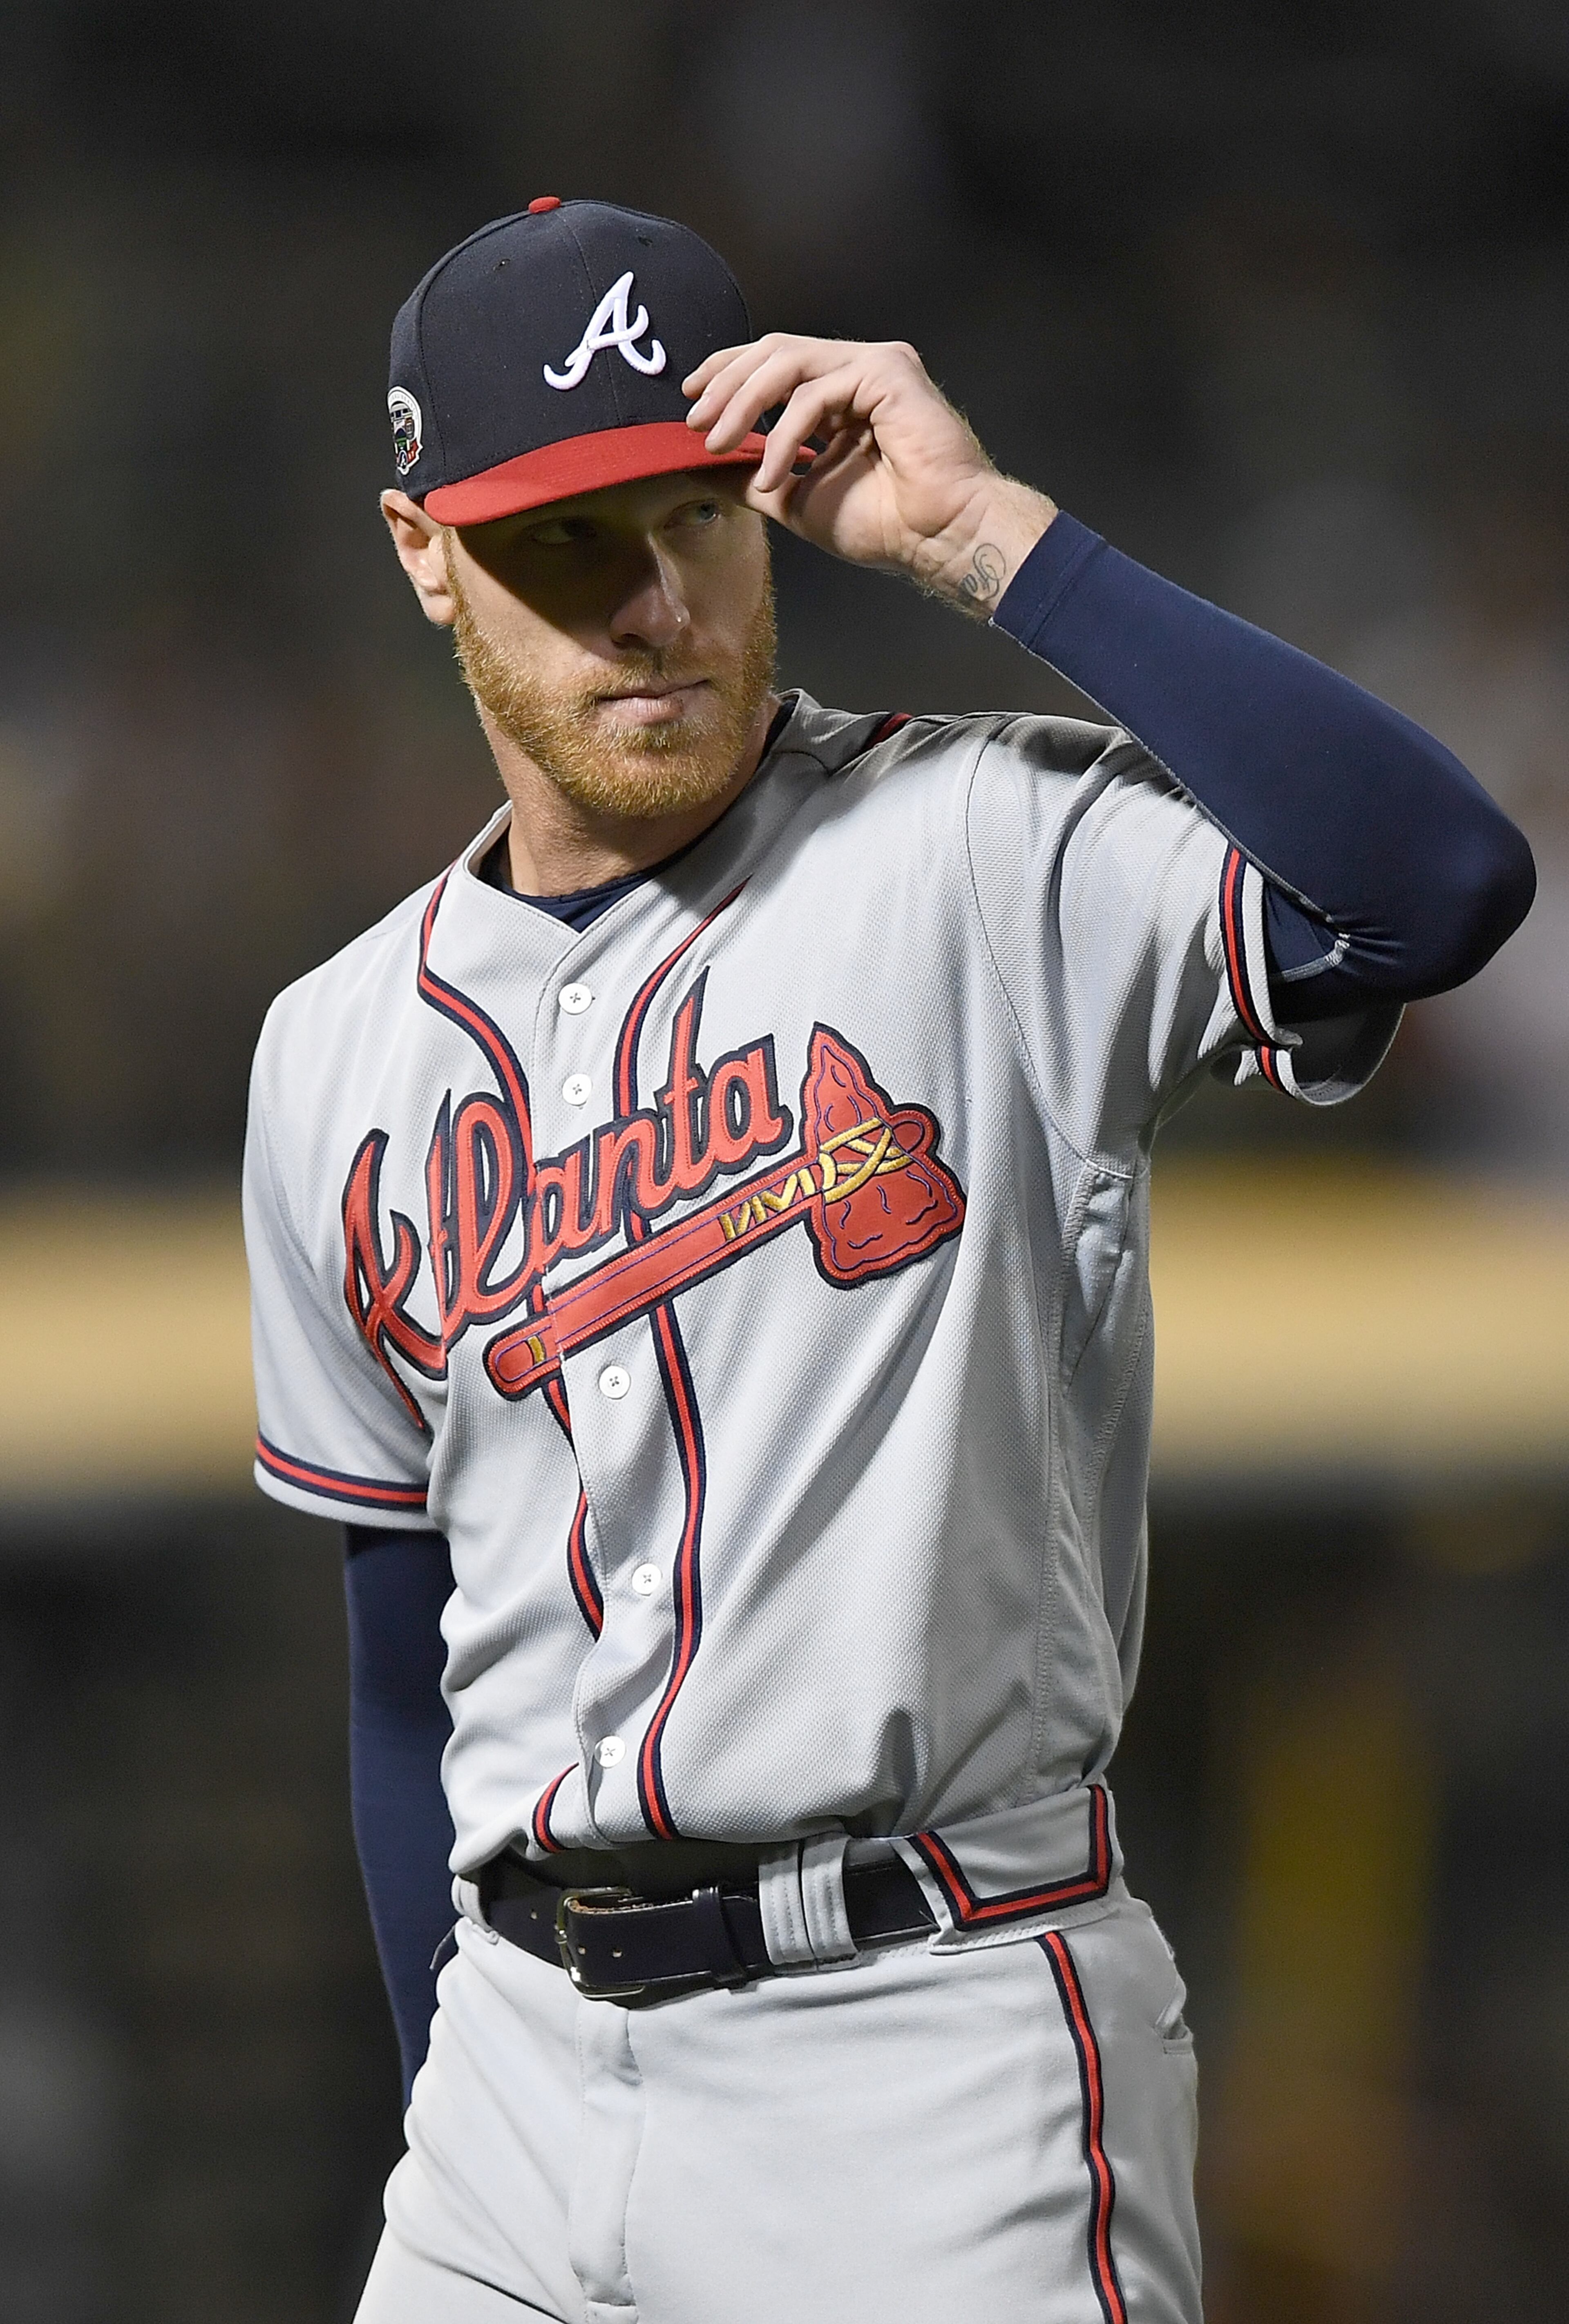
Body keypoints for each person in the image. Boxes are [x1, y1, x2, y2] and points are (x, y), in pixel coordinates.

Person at [244, 199, 1533, 2323]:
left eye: (695, 517)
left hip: (930, 2052)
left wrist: (994, 540)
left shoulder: (988, 851)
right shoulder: (335, 1050)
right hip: (519, 2079)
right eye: (568, 544)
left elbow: (1437, 883)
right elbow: (407, 1670)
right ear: (421, 551)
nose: (652, 606)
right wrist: (446, 2104)